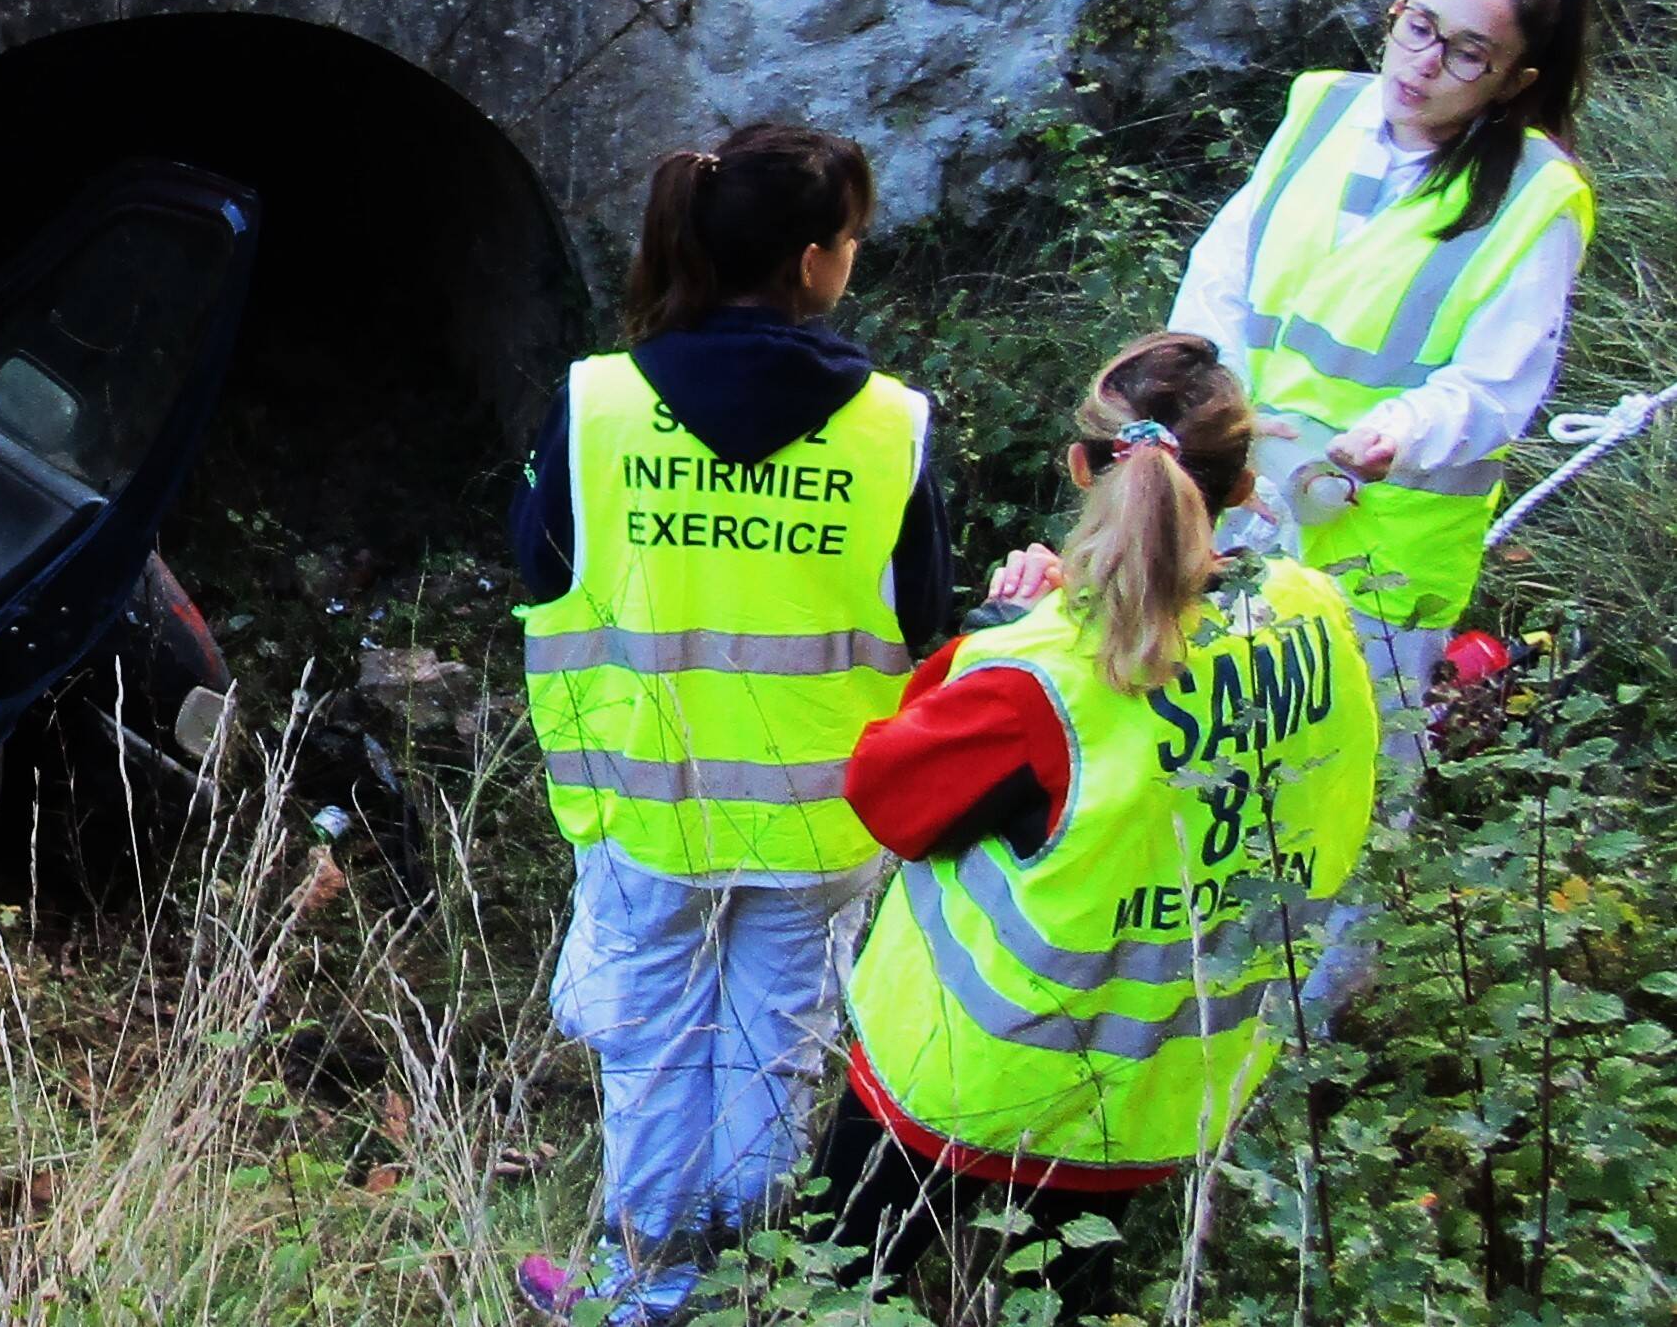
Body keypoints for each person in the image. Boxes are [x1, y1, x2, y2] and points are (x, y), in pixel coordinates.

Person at [807, 333, 1378, 1323]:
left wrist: (993, 630)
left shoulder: (1044, 666)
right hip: (1162, 1083)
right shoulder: (1314, 613)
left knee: (840, 1282)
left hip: (968, 1072)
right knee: (1069, 1297)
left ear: (1081, 467)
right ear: (1245, 483)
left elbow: (887, 796)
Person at [512, 123, 957, 1326]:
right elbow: (922, 618)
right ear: (815, 260)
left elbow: (538, 568)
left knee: (651, 1052)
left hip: (642, 803)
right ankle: (743, 1289)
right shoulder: (889, 427)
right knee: (776, 1047)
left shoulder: (594, 404)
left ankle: (641, 1289)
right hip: (822, 815)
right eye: (852, 240)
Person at [1167, 0, 1598, 794]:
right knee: (1208, 775)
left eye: (1466, 52)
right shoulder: (1322, 109)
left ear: (1514, 79)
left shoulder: (1536, 195)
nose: (1425, 62)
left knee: (1341, 794)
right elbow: (1221, 274)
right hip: (1240, 500)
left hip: (1380, 550)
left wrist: (1398, 431)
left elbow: (1495, 385)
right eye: (1419, 26)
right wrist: (1205, 399)